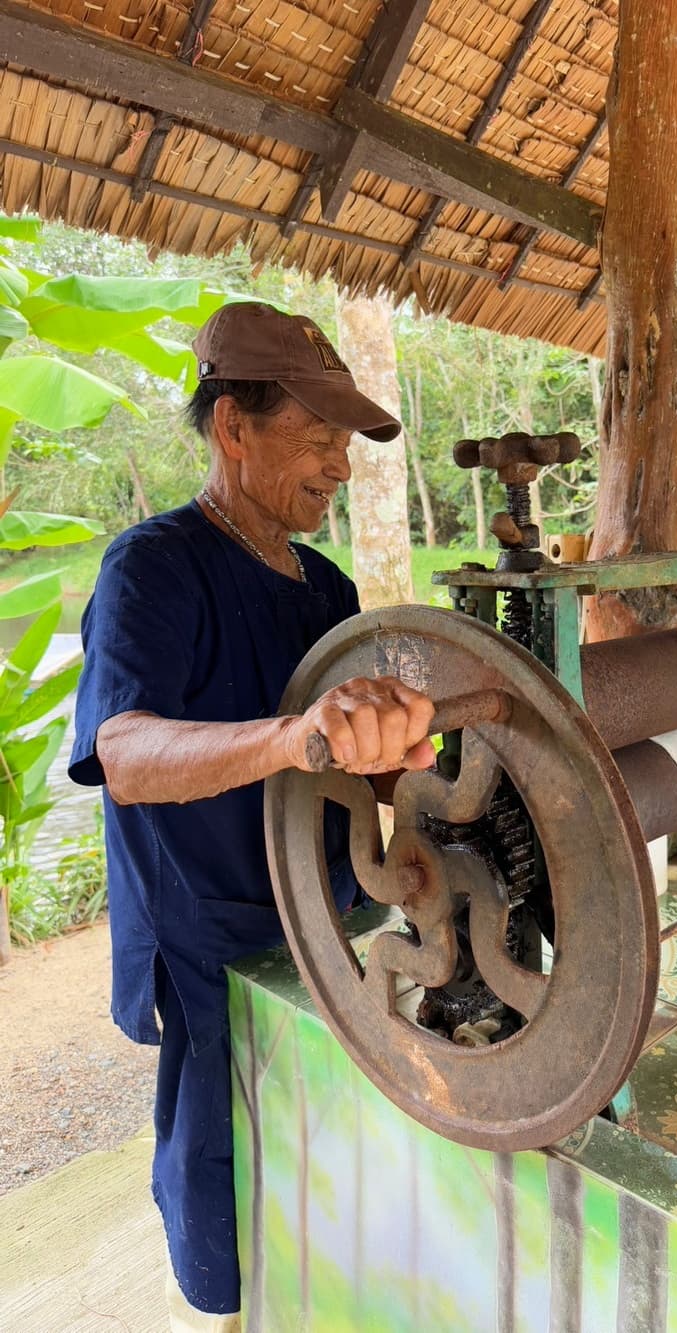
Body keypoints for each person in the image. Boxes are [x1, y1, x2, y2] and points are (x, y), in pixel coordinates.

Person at [69, 301, 435, 1329]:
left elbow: (359, 773)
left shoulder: (327, 586)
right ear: (234, 427)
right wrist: (293, 736)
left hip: (317, 931)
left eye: (345, 444)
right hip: (205, 942)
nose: (339, 466)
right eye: (318, 439)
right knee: (223, 1186)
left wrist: (402, 777)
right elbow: (124, 754)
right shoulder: (155, 567)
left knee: (321, 1166)